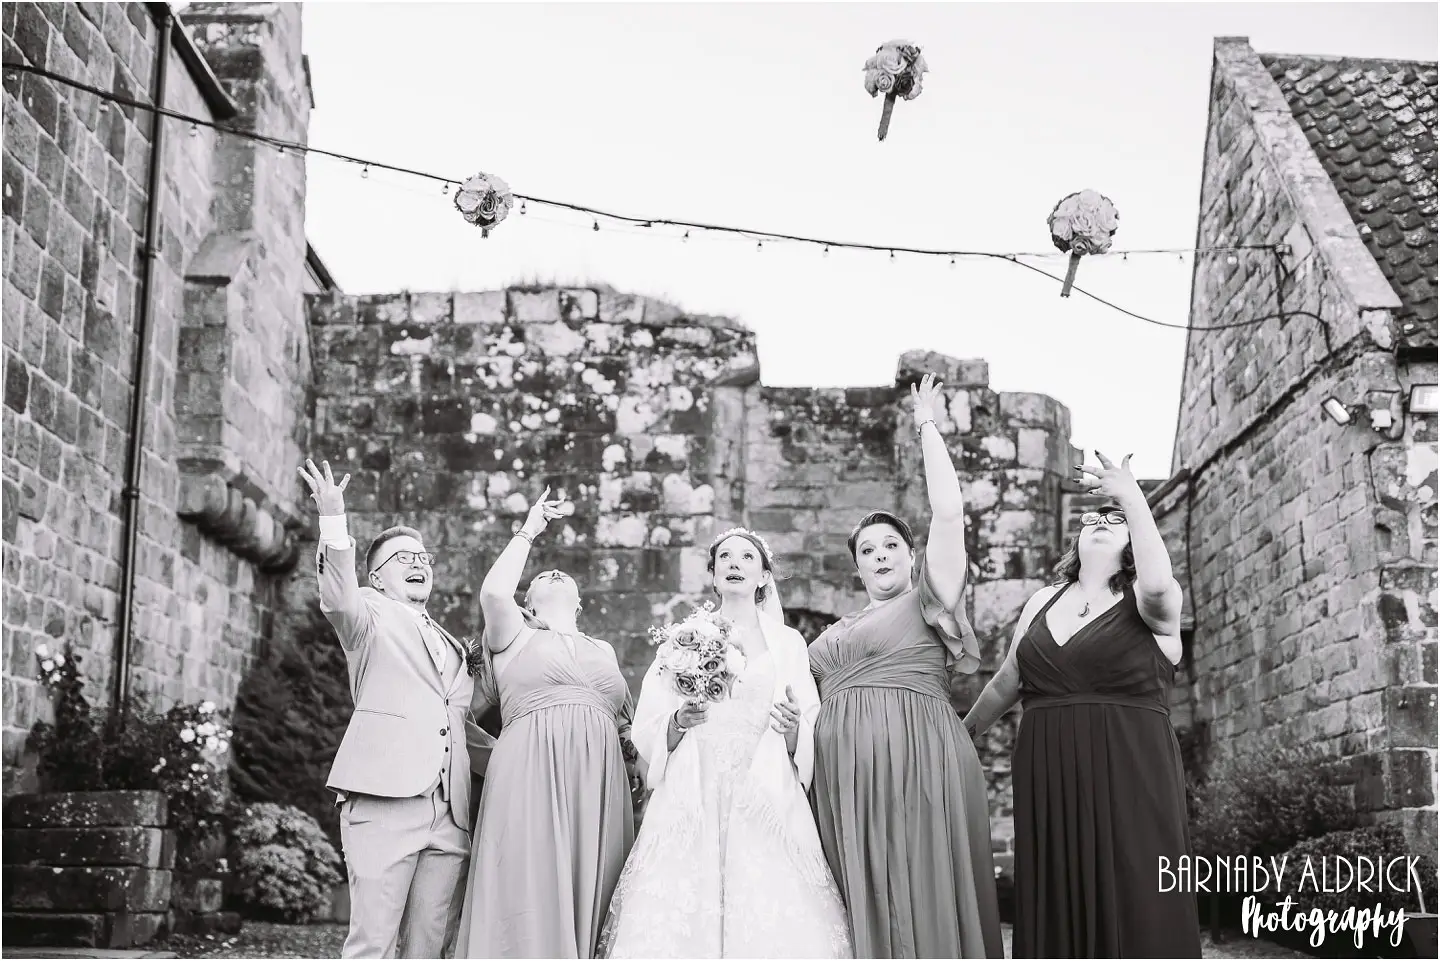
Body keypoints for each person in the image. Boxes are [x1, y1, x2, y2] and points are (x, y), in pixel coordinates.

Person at [963, 452, 1203, 957]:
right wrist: (960, 736)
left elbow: (1158, 582)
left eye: (1113, 520)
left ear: (1135, 537)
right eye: (1092, 518)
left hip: (1130, 767)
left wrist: (1131, 497)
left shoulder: (1152, 599)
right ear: (1075, 540)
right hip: (1049, 769)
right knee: (1057, 883)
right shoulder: (1041, 600)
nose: (1100, 522)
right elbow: (1008, 680)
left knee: (1133, 886)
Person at [808, 373, 1004, 959]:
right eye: (867, 551)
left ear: (910, 555)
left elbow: (949, 514)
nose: (880, 555)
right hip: (843, 777)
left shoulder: (929, 599)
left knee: (922, 884)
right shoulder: (832, 633)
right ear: (857, 569)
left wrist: (926, 425)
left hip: (919, 757)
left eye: (891, 544)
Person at [598, 528, 852, 959]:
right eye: (726, 559)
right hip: (696, 784)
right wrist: (678, 722)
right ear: (714, 576)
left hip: (763, 786)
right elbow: (651, 722)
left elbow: (810, 716)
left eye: (748, 557)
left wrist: (794, 730)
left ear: (763, 576)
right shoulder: (684, 639)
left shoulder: (788, 644)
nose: (736, 564)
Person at [300, 458, 474, 960]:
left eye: (424, 557)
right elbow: (337, 598)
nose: (419, 563)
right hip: (384, 801)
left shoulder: (451, 644)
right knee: (372, 945)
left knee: (430, 948)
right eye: (403, 558)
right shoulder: (366, 617)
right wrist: (333, 519)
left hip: (450, 812)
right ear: (375, 579)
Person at [454, 488, 637, 959]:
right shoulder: (513, 632)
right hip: (531, 767)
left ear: (579, 605)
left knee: (594, 880)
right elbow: (494, 591)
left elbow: (624, 725)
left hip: (599, 779)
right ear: (528, 605)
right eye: (540, 578)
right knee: (527, 874)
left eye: (564, 575)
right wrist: (529, 529)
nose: (555, 573)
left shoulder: (605, 651)